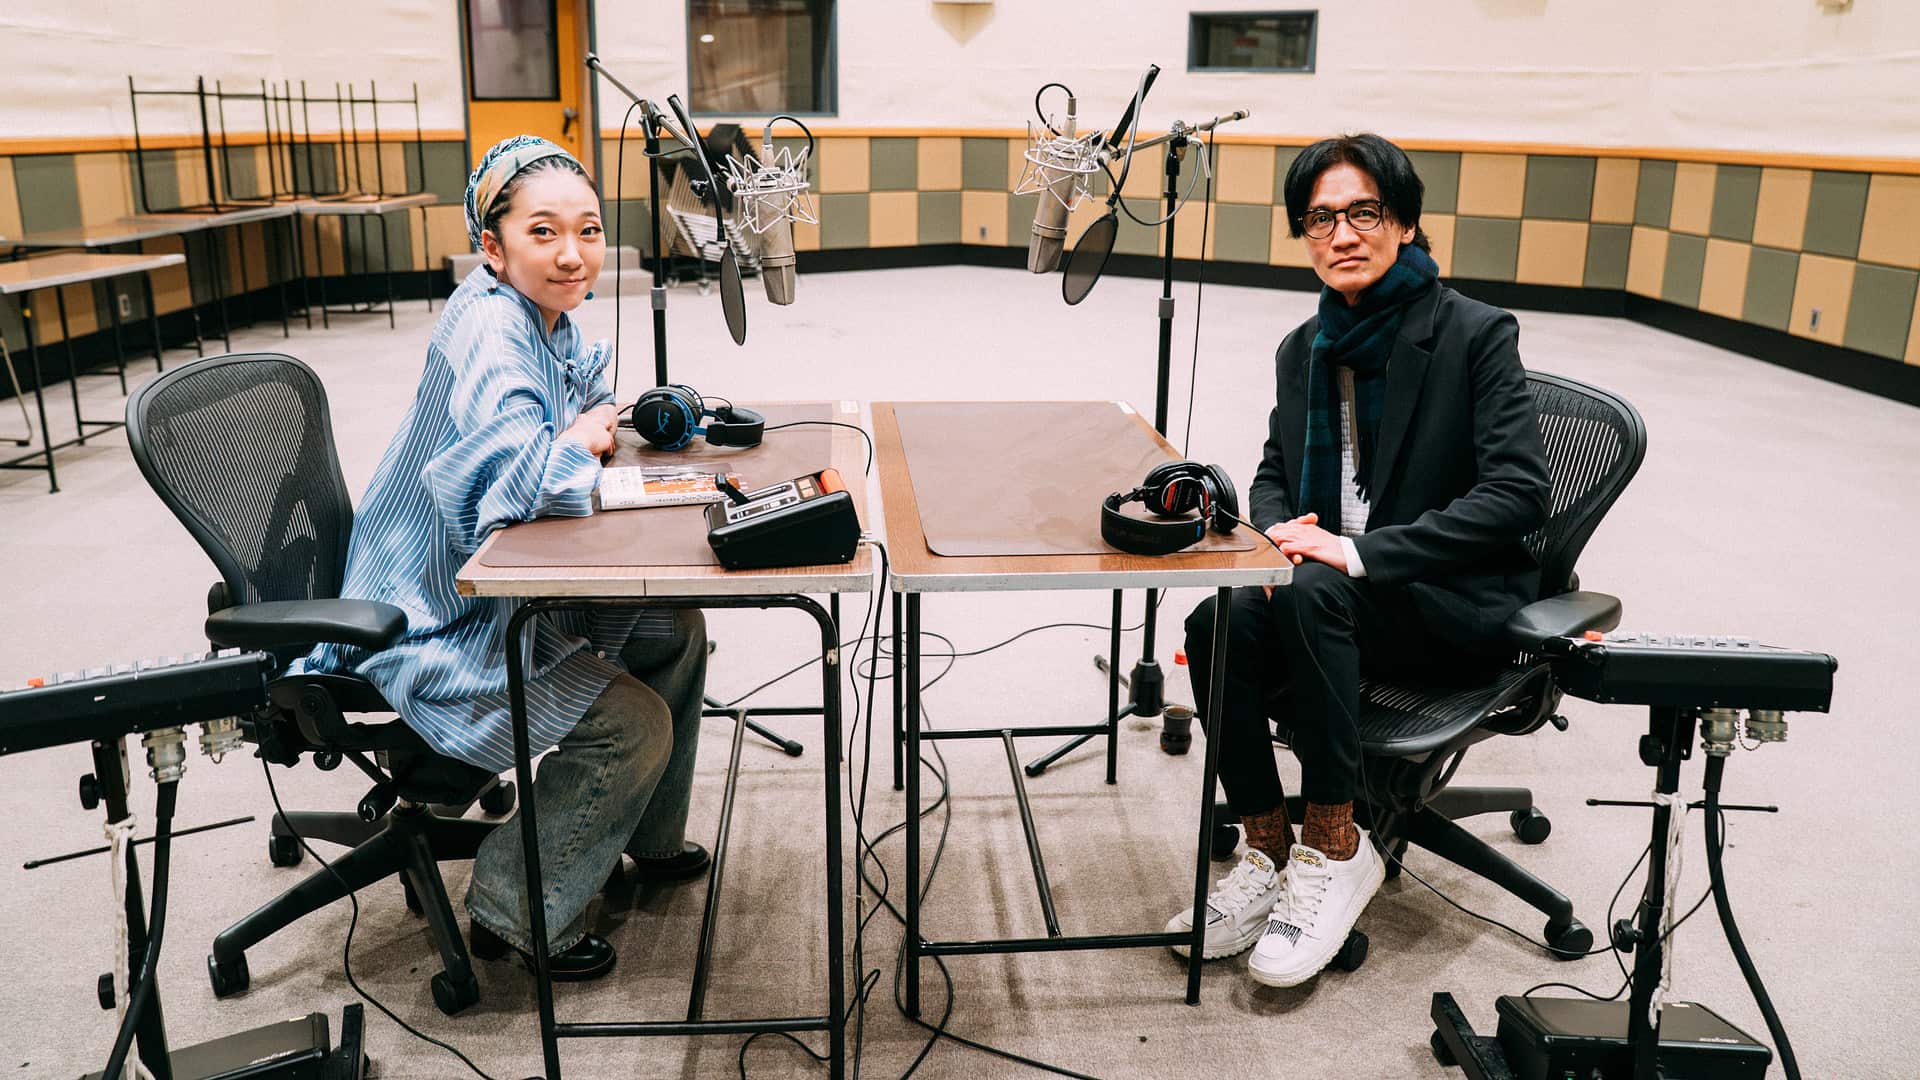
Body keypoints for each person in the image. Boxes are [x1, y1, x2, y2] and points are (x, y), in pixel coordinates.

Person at [305, 135, 709, 982]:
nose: (573, 253)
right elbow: (517, 484)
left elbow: (584, 403)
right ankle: (513, 905)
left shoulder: (541, 315)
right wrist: (580, 437)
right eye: (543, 231)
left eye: (589, 230)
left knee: (673, 628)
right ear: (493, 246)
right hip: (432, 617)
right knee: (631, 725)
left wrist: (590, 424)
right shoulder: (493, 328)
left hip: (480, 583)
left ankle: (645, 835)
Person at [1166, 134, 1551, 988]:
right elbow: (1274, 469)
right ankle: (1269, 848)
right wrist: (1280, 531)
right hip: (1333, 598)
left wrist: (1357, 552)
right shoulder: (1305, 346)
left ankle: (1336, 846)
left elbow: (1519, 493)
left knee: (1311, 591)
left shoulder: (1475, 334)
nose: (1341, 234)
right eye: (1320, 219)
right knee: (1217, 616)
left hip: (1444, 604)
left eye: (1364, 213)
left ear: (1406, 223)